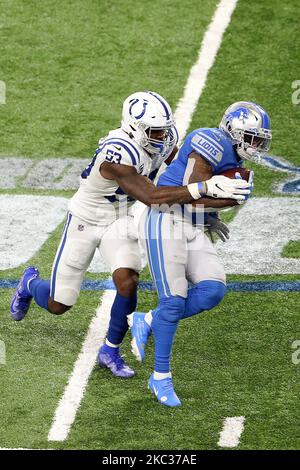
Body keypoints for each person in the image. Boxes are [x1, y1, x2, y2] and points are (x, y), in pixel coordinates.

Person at [10, 92, 251, 379]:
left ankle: (110, 349)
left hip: (121, 219)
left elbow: (175, 173)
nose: (162, 137)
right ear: (134, 127)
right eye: (155, 131)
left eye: (164, 129)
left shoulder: (164, 138)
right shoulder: (117, 153)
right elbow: (152, 196)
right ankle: (30, 284)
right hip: (86, 219)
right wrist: (204, 189)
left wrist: (203, 210)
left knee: (128, 280)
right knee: (59, 304)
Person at [128, 101, 272, 405]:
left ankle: (149, 320)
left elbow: (201, 205)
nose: (257, 146)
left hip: (191, 222)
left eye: (260, 140)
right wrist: (222, 199)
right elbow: (192, 194)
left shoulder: (234, 159)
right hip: (164, 216)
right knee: (174, 298)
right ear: (234, 131)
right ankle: (160, 378)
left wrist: (219, 209)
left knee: (212, 290)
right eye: (253, 138)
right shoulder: (210, 141)